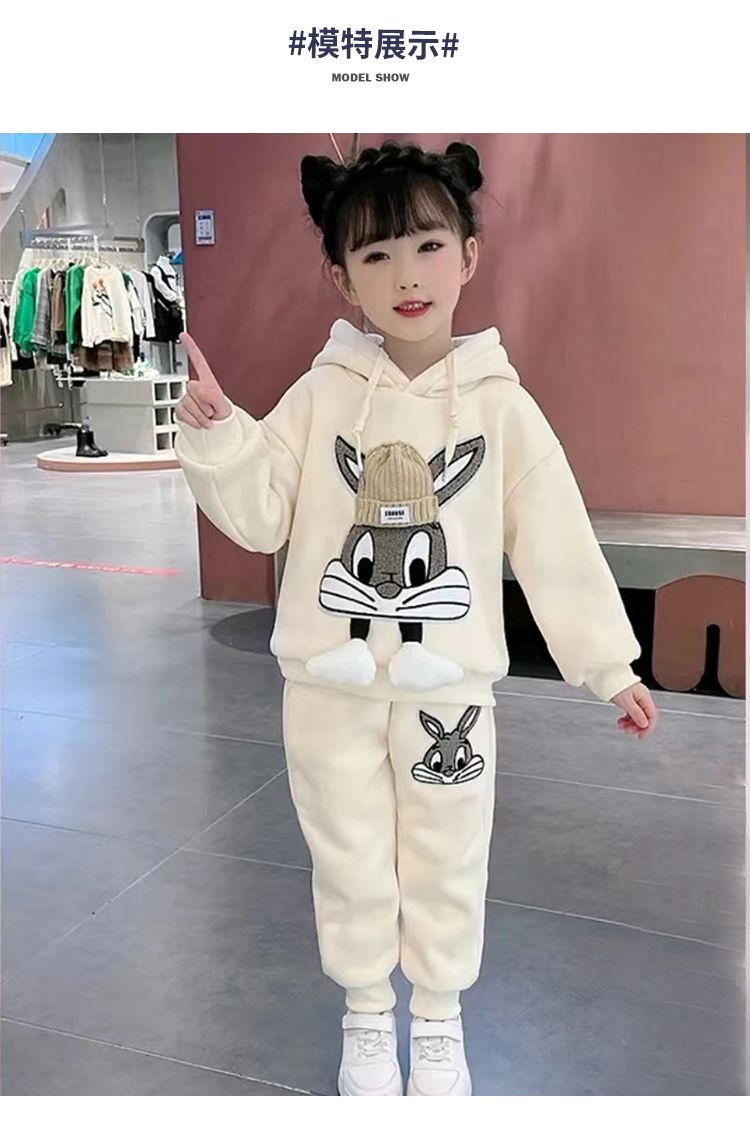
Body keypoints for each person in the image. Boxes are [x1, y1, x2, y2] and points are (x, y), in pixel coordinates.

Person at [173, 138, 659, 1096]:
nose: (407, 275)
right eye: (377, 253)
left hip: (451, 693)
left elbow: (554, 538)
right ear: (342, 277)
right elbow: (263, 513)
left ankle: (437, 1020)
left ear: (469, 255)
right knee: (347, 850)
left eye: (430, 246)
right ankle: (366, 1015)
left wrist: (609, 665)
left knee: (447, 849)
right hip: (329, 685)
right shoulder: (322, 395)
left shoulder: (501, 408)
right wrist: (221, 433)